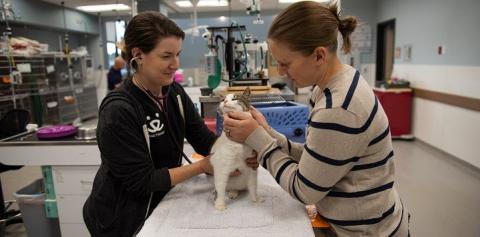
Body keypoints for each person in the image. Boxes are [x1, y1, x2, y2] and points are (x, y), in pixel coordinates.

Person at [223, 2, 409, 236]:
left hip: (367, 231)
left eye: (285, 63)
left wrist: (259, 142)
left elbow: (305, 189)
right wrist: (270, 135)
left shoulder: (338, 107)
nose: (280, 72)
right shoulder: (329, 86)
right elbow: (318, 159)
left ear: (319, 55)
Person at [83, 12, 258, 237]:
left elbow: (204, 140)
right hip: (122, 218)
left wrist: (237, 152)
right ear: (138, 54)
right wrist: (202, 166)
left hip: (159, 205)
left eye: (177, 54)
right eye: (166, 56)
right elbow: (142, 181)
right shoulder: (119, 110)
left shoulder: (174, 94)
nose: (175, 64)